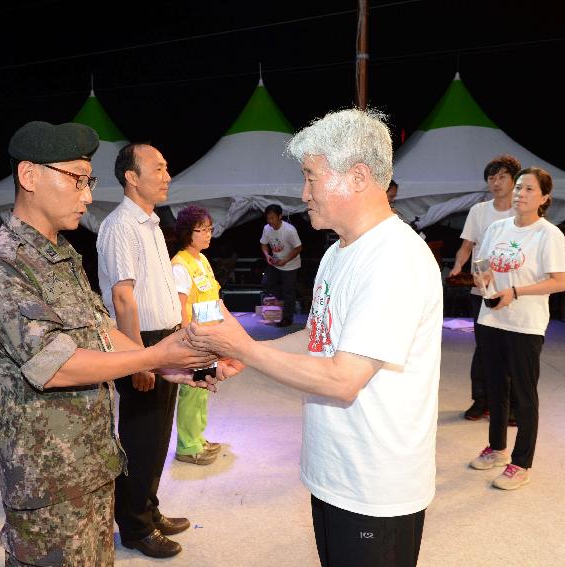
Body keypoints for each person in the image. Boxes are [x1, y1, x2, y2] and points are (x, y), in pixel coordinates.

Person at [188, 108, 443, 567]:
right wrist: (248, 357)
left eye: (311, 177)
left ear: (359, 176)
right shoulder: (339, 251)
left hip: (373, 487)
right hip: (334, 473)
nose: (303, 193)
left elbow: (342, 378)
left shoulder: (395, 258)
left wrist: (241, 345)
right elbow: (319, 337)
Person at [0, 122, 215, 567]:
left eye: (89, 181)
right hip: (47, 484)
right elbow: (54, 363)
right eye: (77, 179)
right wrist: (155, 354)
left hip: (93, 465)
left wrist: (164, 366)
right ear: (30, 176)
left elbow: (102, 331)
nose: (86, 194)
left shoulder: (61, 255)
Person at [96, 142, 188, 558]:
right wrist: (138, 356)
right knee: (139, 436)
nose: (167, 175)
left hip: (162, 338)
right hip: (140, 340)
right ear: (132, 177)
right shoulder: (120, 225)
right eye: (159, 168)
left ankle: (148, 509)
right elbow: (123, 298)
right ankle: (134, 527)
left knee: (157, 436)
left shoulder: (149, 222)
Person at [468, 167, 565, 490]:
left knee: (524, 396)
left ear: (544, 198)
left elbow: (560, 281)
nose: (520, 194)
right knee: (496, 389)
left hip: (525, 326)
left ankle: (521, 463)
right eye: (519, 188)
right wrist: (482, 279)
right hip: (491, 319)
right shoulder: (498, 227)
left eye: (528, 190)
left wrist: (515, 292)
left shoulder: (548, 234)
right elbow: (480, 265)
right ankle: (497, 449)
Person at [449, 154, 521, 421]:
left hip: (513, 290)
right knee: (484, 347)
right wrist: (458, 266)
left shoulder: (521, 211)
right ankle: (481, 400)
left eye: (502, 176)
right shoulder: (479, 211)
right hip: (481, 288)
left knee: (512, 348)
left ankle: (511, 405)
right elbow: (466, 246)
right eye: (492, 178)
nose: (496, 182)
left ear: (514, 181)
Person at [170, 205, 223, 466]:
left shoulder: (202, 261)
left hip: (209, 339)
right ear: (186, 233)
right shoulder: (180, 265)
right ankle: (187, 446)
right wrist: (187, 342)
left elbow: (211, 299)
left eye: (209, 229)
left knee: (203, 390)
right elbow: (180, 308)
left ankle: (198, 437)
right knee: (191, 393)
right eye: (201, 230)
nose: (207, 234)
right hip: (194, 341)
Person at [260, 203, 302, 327]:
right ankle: (284, 298)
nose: (270, 221)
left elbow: (298, 248)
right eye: (268, 218)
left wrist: (286, 260)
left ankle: (287, 319)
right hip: (276, 262)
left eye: (272, 217)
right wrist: (267, 255)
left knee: (289, 291)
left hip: (291, 265)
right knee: (266, 283)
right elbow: (263, 244)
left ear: (279, 216)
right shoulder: (267, 228)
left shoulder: (289, 230)